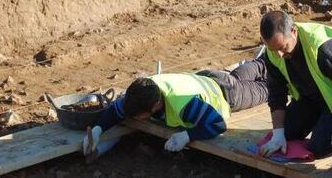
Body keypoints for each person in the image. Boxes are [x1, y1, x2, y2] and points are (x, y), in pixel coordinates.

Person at [83, 58, 268, 157]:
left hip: (228, 93)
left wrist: (187, 136)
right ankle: (264, 61)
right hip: (207, 77)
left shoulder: (185, 105)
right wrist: (99, 129)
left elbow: (218, 125)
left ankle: (274, 63)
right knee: (255, 67)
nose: (133, 118)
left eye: (139, 116)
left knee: (269, 88)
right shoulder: (141, 92)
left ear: (156, 105)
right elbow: (117, 111)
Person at [258, 10, 332, 159]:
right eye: (273, 49)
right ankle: (321, 123)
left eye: (282, 47)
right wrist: (278, 134)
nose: (279, 55)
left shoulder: (323, 47)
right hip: (312, 99)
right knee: (286, 134)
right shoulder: (273, 53)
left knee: (321, 147)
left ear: (293, 31)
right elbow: (276, 93)